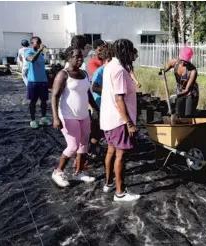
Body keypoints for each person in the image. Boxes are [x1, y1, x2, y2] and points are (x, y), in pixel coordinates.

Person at [50, 47, 99, 187]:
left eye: (81, 57)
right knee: (72, 146)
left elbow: (88, 94)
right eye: (76, 57)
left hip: (84, 116)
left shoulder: (84, 73)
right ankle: (58, 172)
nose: (79, 59)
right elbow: (54, 96)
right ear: (68, 58)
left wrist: (96, 108)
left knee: (83, 145)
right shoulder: (63, 75)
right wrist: (55, 118)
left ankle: (79, 172)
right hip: (68, 116)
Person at [100, 39, 140, 202]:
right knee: (120, 156)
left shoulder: (110, 66)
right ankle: (120, 193)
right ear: (125, 52)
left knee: (111, 151)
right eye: (131, 51)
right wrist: (129, 123)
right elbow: (119, 99)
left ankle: (109, 183)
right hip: (119, 121)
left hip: (108, 118)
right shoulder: (119, 71)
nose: (133, 55)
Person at [88, 43, 113, 159]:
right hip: (99, 104)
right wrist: (109, 91)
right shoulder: (100, 70)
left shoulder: (110, 69)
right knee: (97, 129)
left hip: (107, 104)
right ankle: (91, 151)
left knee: (104, 128)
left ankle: (99, 149)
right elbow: (94, 87)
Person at [160, 46, 199, 117]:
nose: (183, 63)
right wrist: (163, 71)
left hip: (190, 93)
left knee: (188, 116)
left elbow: (187, 90)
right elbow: (166, 68)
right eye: (182, 60)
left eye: (186, 62)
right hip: (179, 90)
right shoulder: (174, 62)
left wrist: (174, 96)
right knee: (178, 114)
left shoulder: (193, 71)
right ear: (179, 57)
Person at [24, 36, 52, 128]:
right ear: (32, 43)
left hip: (42, 81)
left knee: (44, 101)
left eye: (40, 42)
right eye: (37, 42)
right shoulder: (28, 52)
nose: (39, 44)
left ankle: (43, 118)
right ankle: (33, 120)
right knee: (33, 101)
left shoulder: (40, 55)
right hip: (33, 82)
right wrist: (39, 50)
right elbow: (31, 60)